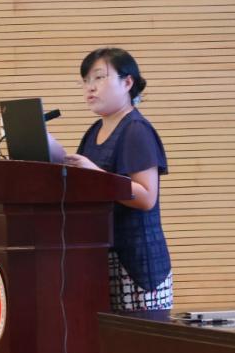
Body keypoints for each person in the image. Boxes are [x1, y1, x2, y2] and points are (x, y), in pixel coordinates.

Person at [53, 47, 172, 311]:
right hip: (99, 260)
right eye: (85, 81)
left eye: (99, 77)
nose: (90, 87)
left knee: (134, 339)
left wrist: (95, 175)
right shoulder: (94, 130)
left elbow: (146, 197)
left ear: (127, 83)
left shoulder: (136, 129)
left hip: (136, 267)